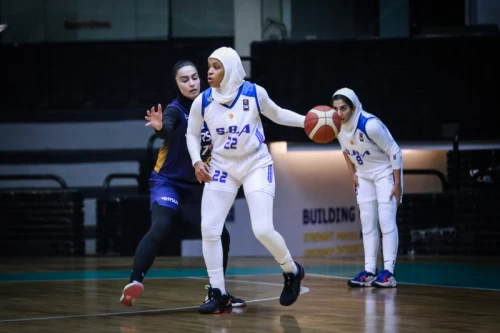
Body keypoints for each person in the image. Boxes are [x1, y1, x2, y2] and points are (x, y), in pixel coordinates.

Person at [186, 47, 306, 314]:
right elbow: (192, 133)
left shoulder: (253, 93)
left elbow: (278, 114)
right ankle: (218, 293)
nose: (209, 71)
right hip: (222, 167)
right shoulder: (202, 101)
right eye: (209, 66)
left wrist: (306, 122)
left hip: (255, 163)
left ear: (229, 69)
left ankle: (292, 270)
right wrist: (197, 160)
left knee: (262, 229)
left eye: (216, 66)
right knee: (209, 228)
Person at [120, 60, 246, 308]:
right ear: (177, 84)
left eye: (194, 77)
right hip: (167, 182)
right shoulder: (176, 110)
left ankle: (217, 292)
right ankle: (134, 283)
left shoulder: (214, 108)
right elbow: (166, 127)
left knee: (221, 234)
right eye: (184, 79)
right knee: (163, 223)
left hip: (197, 186)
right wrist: (159, 128)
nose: (191, 83)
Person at [332, 88, 402, 288]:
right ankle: (370, 271)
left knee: (386, 220)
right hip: (363, 175)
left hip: (384, 172)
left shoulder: (370, 125)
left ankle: (389, 272)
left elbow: (395, 151)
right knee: (367, 222)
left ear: (354, 107)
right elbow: (345, 150)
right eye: (336, 109)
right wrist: (352, 174)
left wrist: (397, 183)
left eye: (343, 108)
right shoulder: (337, 126)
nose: (339, 113)